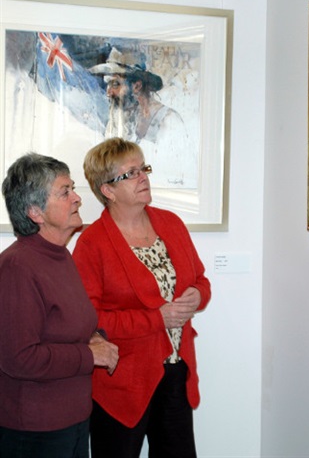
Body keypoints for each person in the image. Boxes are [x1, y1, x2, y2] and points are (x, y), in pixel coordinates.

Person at [72, 138, 211, 458]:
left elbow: (201, 281)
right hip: (122, 381)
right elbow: (89, 320)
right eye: (131, 173)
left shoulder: (171, 224)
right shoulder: (92, 243)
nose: (143, 177)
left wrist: (196, 295)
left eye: (143, 168)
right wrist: (156, 319)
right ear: (107, 189)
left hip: (175, 372)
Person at [0, 153, 119, 458]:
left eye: (73, 189)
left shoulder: (60, 255)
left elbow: (69, 326)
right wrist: (89, 354)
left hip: (73, 420)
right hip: (35, 432)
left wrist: (95, 337)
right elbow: (19, 359)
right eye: (65, 192)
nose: (78, 198)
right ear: (35, 212)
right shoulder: (17, 267)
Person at [89, 48, 196, 188]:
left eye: (115, 84)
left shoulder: (169, 121)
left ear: (137, 86)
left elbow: (178, 180)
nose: (109, 93)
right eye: (107, 84)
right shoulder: (119, 122)